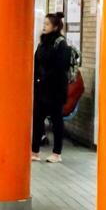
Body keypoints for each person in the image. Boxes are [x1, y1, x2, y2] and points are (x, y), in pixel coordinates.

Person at [31, 13, 72, 163]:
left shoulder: (61, 44)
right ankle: (34, 151)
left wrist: (44, 77)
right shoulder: (42, 43)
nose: (44, 26)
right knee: (37, 119)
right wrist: (36, 79)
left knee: (56, 120)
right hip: (41, 88)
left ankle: (57, 153)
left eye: (47, 24)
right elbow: (36, 61)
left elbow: (60, 67)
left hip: (55, 89)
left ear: (55, 27)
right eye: (44, 23)